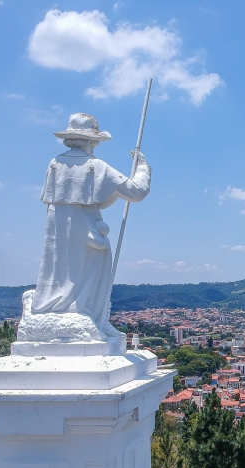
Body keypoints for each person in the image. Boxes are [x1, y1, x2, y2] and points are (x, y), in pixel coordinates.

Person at [29, 113, 150, 341]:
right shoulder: (95, 166)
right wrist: (143, 168)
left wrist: (112, 190)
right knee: (96, 272)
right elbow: (136, 192)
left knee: (61, 269)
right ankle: (95, 317)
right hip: (88, 233)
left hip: (59, 232)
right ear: (91, 141)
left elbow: (92, 198)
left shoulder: (55, 164)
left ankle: (94, 319)